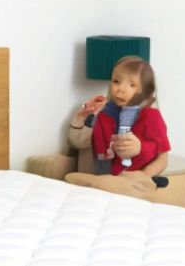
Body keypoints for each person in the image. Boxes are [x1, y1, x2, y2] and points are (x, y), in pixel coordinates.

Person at [65, 56, 171, 199]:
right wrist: (81, 118)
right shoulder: (103, 113)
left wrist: (143, 174)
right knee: (91, 181)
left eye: (131, 85)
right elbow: (78, 142)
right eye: (116, 81)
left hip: (130, 178)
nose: (120, 89)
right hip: (103, 173)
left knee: (101, 183)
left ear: (145, 90)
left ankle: (100, 184)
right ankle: (98, 183)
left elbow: (163, 158)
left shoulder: (151, 116)